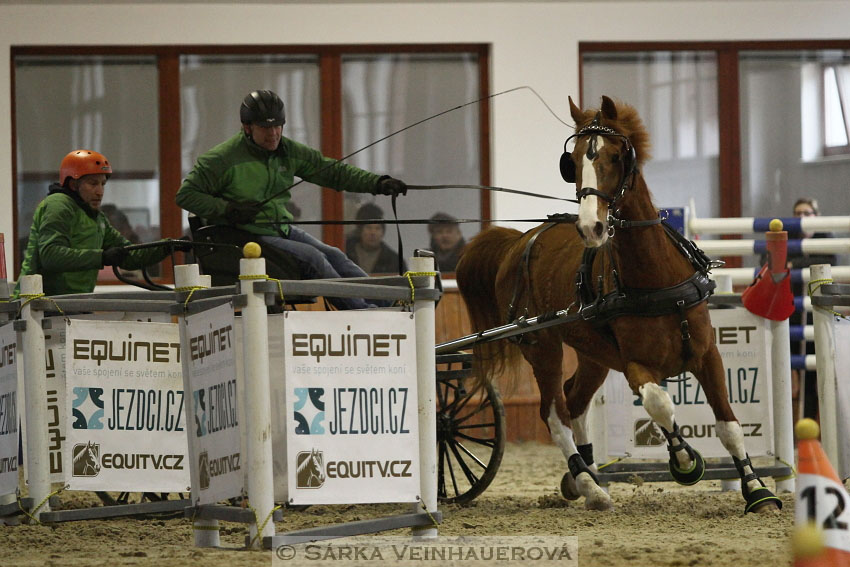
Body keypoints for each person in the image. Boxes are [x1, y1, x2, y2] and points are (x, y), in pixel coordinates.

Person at [176, 89, 407, 310]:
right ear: (247, 127)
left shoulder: (288, 151)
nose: (273, 133)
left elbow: (333, 172)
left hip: (281, 228)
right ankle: (366, 313)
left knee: (335, 255)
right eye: (265, 127)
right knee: (314, 258)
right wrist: (227, 209)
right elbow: (186, 195)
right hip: (245, 235)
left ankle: (389, 303)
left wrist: (377, 183)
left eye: (278, 126)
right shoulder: (221, 159)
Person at [14, 150, 181, 297]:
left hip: (73, 304)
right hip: (38, 305)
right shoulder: (59, 204)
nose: (100, 191)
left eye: (103, 184)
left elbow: (129, 257)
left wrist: (169, 245)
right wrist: (102, 257)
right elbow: (51, 256)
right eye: (93, 183)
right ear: (73, 184)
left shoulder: (97, 218)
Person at [787, 198, 837, 422]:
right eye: (798, 213)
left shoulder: (825, 238)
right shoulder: (787, 237)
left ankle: (812, 423)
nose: (802, 218)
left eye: (807, 213)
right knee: (788, 370)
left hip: (818, 313)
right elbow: (767, 259)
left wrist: (793, 265)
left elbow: (830, 260)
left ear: (816, 216)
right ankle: (789, 426)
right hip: (791, 314)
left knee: (815, 373)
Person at [345, 203, 406, 274]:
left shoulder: (394, 261)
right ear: (360, 230)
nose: (373, 233)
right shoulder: (345, 253)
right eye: (368, 228)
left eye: (377, 228)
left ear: (383, 232)